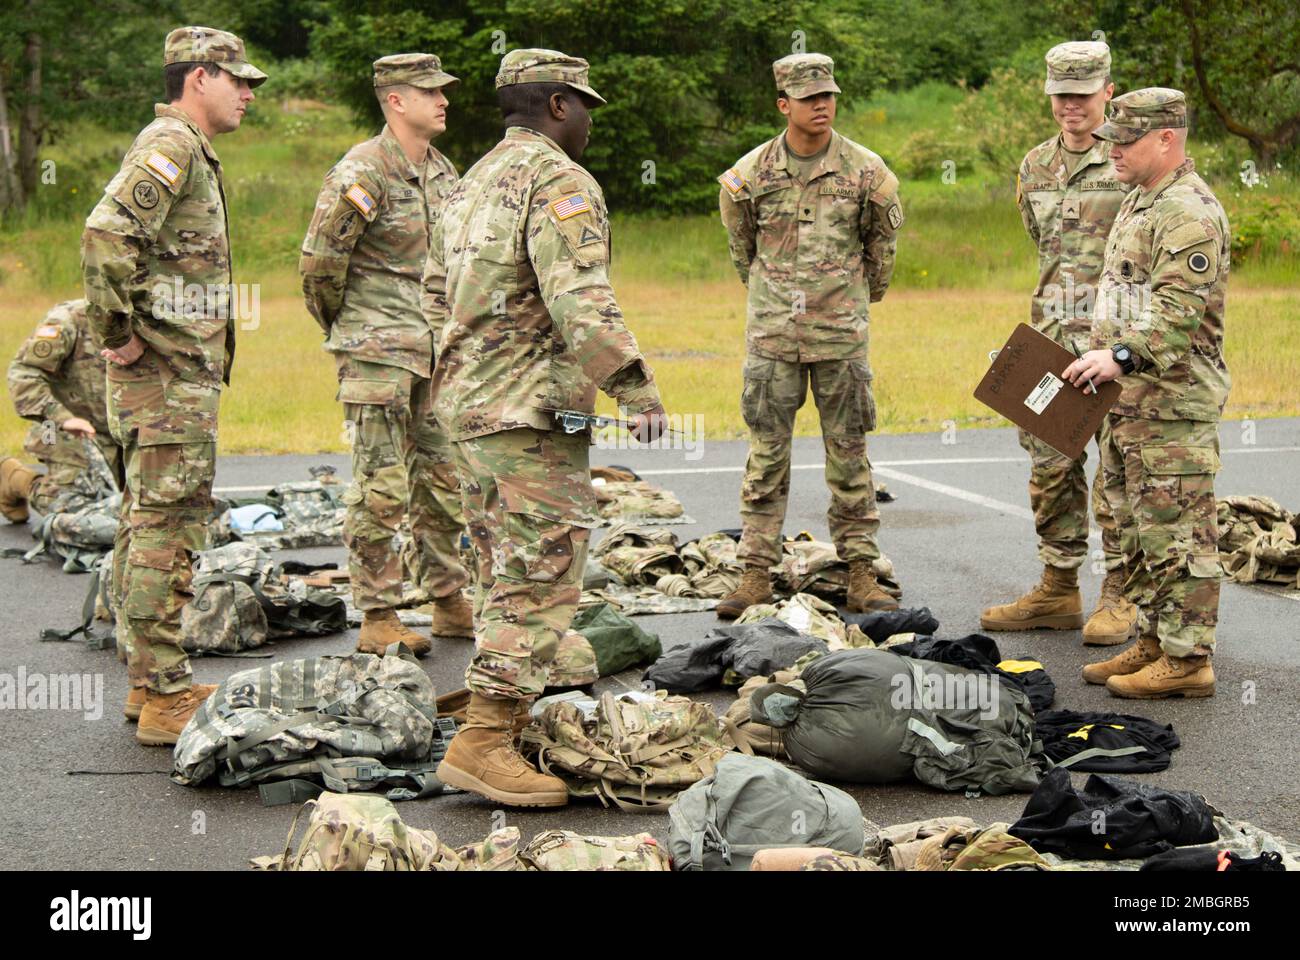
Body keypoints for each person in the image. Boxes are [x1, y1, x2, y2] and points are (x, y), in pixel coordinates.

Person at [424, 48, 665, 807]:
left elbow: (435, 296)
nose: (590, 119)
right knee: (540, 578)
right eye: (585, 104)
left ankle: (505, 713)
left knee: (501, 569)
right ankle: (484, 739)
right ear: (558, 104)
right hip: (526, 413)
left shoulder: (469, 181)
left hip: (472, 409)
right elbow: (578, 295)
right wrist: (636, 387)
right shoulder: (559, 179)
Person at [81, 26, 266, 743]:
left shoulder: (189, 149)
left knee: (146, 521)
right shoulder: (173, 147)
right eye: (236, 79)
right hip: (165, 376)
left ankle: (145, 680)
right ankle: (163, 694)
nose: (247, 92)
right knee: (167, 527)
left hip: (173, 378)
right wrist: (117, 333)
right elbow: (105, 234)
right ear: (197, 78)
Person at [715, 53, 903, 620]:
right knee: (766, 455)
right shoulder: (747, 176)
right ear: (783, 104)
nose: (822, 105)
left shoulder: (868, 172)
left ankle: (862, 572)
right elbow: (743, 253)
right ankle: (754, 573)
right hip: (773, 337)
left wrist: (844, 301)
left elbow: (881, 253)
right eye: (809, 98)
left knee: (850, 455)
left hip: (841, 337)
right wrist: (779, 299)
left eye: (828, 96)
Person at [300, 53, 471, 657]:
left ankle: (448, 597)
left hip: (433, 350)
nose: (443, 100)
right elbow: (320, 265)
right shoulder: (363, 171)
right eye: (430, 92)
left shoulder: (444, 172)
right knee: (381, 485)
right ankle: (377, 613)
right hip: (377, 350)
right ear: (396, 101)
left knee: (442, 477)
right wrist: (352, 329)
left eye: (443, 91)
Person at [1063, 88, 1229, 699]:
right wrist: (1092, 354)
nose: (1111, 152)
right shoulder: (1141, 199)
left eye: (1124, 141)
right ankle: (1158, 639)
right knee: (1137, 527)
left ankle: (1190, 660)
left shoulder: (1187, 211)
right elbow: (1126, 299)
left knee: (1179, 527)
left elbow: (1178, 313)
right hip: (1128, 401)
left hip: (1171, 403)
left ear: (1166, 138)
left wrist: (1121, 356)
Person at [981, 40, 1139, 646]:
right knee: (1050, 466)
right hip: (1049, 340)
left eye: (1082, 94)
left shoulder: (1128, 161)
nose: (1070, 106)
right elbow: (1041, 243)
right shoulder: (1035, 165)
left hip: (1114, 341)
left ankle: (1119, 594)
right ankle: (1058, 587)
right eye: (1060, 96)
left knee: (1118, 473)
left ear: (1108, 91)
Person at [2, 299, 120, 521]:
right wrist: (61, 417)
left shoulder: (155, 321)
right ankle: (17, 479)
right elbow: (23, 373)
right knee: (76, 513)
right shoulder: (70, 319)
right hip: (60, 429)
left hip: (125, 437)